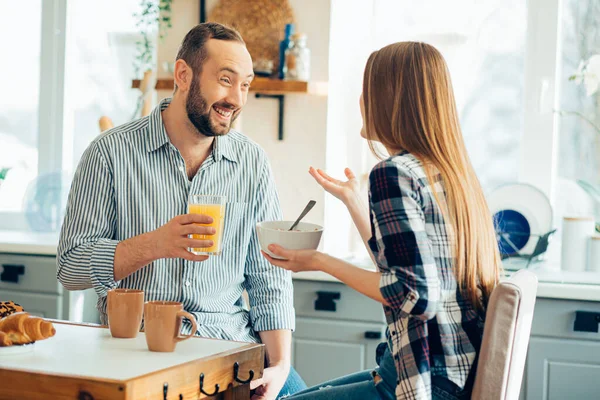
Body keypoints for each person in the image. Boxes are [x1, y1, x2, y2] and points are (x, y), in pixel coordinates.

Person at [57, 22, 306, 400]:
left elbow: (268, 277)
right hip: (138, 354)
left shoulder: (251, 163)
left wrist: (281, 365)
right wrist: (155, 244)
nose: (236, 98)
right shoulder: (110, 153)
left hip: (230, 351)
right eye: (225, 79)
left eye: (245, 84)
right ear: (183, 75)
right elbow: (70, 266)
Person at [262, 41, 501, 400]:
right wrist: (356, 205)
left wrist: (318, 261)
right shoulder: (452, 175)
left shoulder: (393, 172)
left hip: (418, 380)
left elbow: (415, 295)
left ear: (391, 99)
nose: (361, 100)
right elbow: (410, 269)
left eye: (368, 89)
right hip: (450, 376)